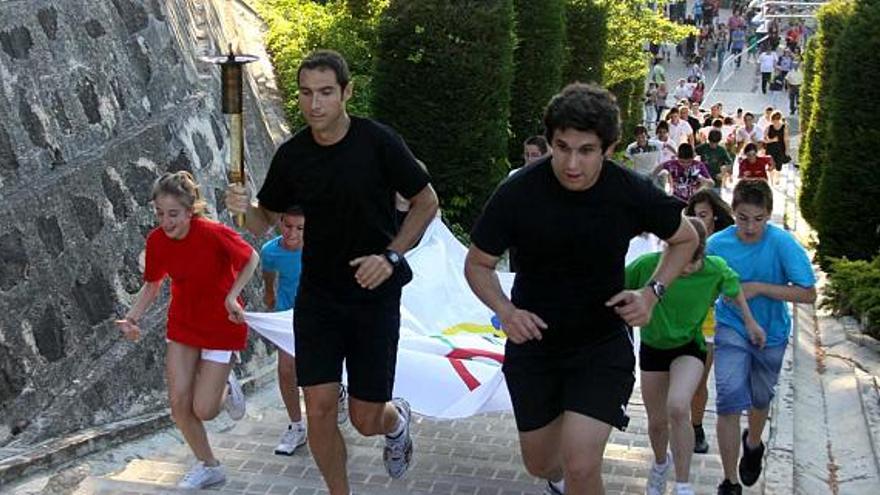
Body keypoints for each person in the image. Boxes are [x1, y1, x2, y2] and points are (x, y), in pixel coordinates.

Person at [464, 83, 699, 495]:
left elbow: (686, 239)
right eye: (562, 147)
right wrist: (506, 310)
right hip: (535, 346)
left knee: (581, 463)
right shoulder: (518, 192)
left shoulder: (628, 191)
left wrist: (651, 292)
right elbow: (478, 264)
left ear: (608, 149)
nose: (572, 163)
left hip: (601, 346)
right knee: (542, 463)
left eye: (586, 150)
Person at [224, 50, 439, 495]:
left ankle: (395, 421)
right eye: (305, 93)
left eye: (325, 92)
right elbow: (266, 219)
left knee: (364, 419)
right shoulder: (293, 155)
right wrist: (244, 213)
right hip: (318, 297)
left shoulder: (377, 142)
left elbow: (426, 202)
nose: (314, 103)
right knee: (318, 406)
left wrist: (392, 257)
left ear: (346, 93)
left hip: (373, 296)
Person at [117, 171, 260, 489]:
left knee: (205, 410)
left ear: (190, 209)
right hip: (183, 324)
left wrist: (232, 296)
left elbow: (251, 258)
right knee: (180, 405)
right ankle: (209, 466)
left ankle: (227, 383)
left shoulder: (212, 233)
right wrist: (132, 318)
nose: (166, 222)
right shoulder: (156, 240)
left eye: (173, 214)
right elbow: (152, 285)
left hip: (222, 324)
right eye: (159, 213)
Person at [626, 217, 763, 495]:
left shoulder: (715, 269)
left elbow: (736, 292)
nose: (684, 269)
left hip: (689, 347)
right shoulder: (647, 266)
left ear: (702, 255)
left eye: (692, 262)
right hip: (653, 348)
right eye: (679, 260)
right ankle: (660, 465)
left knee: (678, 407)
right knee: (656, 423)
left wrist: (750, 323)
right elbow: (614, 288)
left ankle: (683, 484)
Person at [709, 180, 817, 494]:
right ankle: (729, 482)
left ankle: (753, 444)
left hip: (772, 333)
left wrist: (757, 287)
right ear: (733, 212)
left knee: (760, 398)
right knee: (728, 397)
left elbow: (808, 293)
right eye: (743, 218)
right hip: (731, 327)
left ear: (769, 215)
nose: (750, 227)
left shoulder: (783, 243)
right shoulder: (718, 244)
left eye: (758, 219)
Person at [261, 207, 349, 456]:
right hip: (287, 315)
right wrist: (269, 294)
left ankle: (338, 391)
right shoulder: (270, 251)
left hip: (319, 315)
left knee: (317, 374)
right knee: (286, 370)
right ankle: (296, 426)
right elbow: (268, 274)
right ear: (280, 222)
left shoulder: (321, 249)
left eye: (300, 228)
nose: (293, 233)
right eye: (288, 226)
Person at [685, 189, 735, 454]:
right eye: (693, 215)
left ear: (715, 216)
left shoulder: (725, 244)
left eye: (703, 215)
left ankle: (695, 426)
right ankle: (678, 424)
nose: (697, 220)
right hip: (679, 318)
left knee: (698, 379)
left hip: (709, 320)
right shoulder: (681, 242)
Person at [763, 111, 789, 183]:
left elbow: (786, 139)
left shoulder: (784, 127)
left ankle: (777, 177)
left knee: (778, 165)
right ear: (772, 119)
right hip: (770, 149)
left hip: (781, 149)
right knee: (771, 165)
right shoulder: (769, 127)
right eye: (774, 119)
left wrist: (787, 150)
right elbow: (764, 139)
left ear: (780, 119)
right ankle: (771, 181)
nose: (776, 121)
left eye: (777, 119)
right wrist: (772, 140)